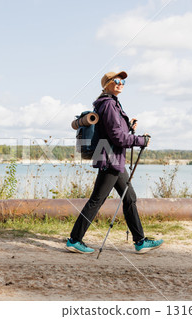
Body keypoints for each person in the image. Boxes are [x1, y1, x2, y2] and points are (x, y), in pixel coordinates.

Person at [66, 71, 163, 254]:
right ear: (107, 84)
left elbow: (114, 131)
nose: (121, 83)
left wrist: (128, 126)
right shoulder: (109, 104)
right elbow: (118, 138)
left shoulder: (111, 104)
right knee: (97, 200)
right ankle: (74, 240)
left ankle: (139, 241)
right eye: (116, 81)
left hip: (114, 159)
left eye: (123, 81)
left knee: (129, 197)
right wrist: (141, 140)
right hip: (110, 159)